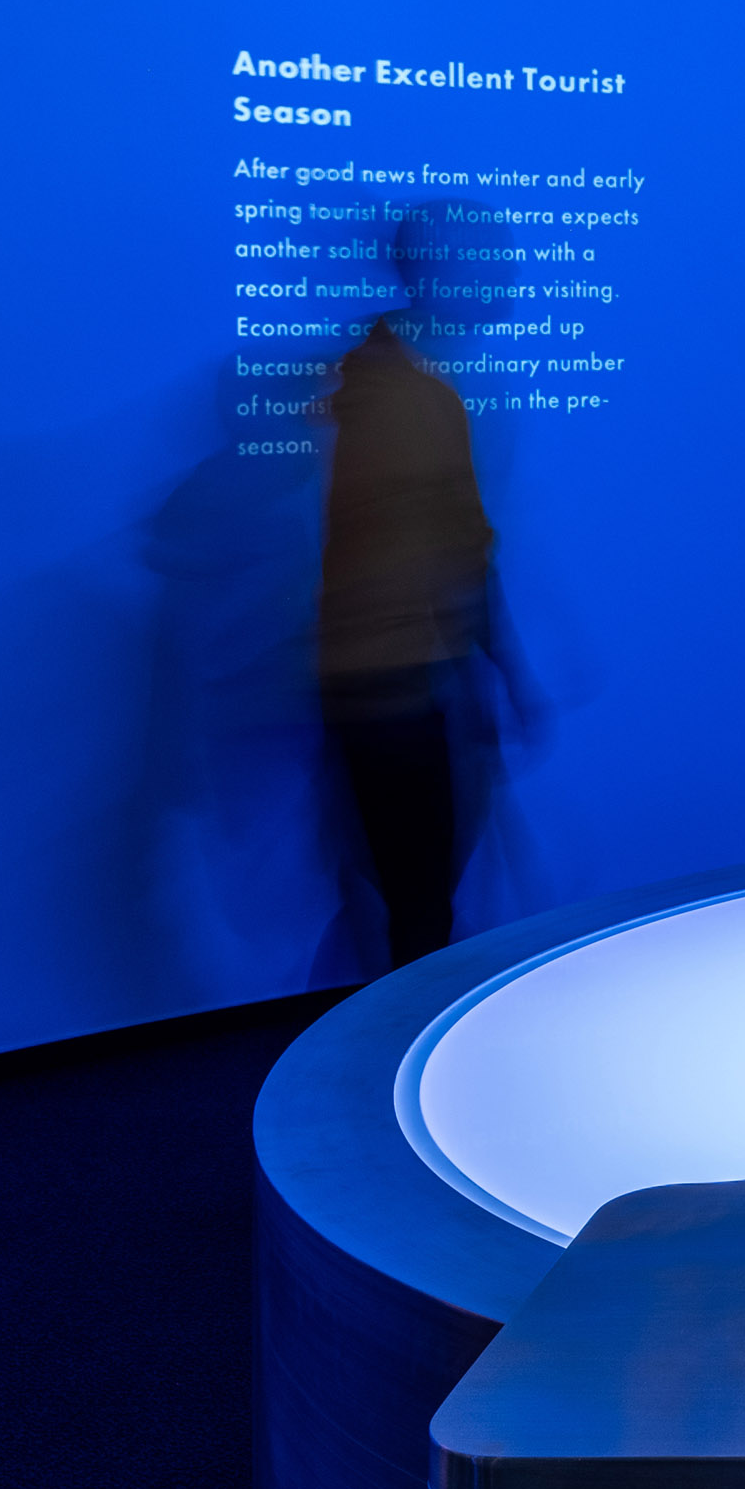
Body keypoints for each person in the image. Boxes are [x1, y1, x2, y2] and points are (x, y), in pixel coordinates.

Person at [318, 236, 507, 966]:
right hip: (395, 680)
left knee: (405, 887)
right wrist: (503, 673)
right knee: (420, 897)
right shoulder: (413, 398)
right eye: (487, 263)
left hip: (379, 676)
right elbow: (462, 551)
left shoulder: (364, 380)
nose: (503, 279)